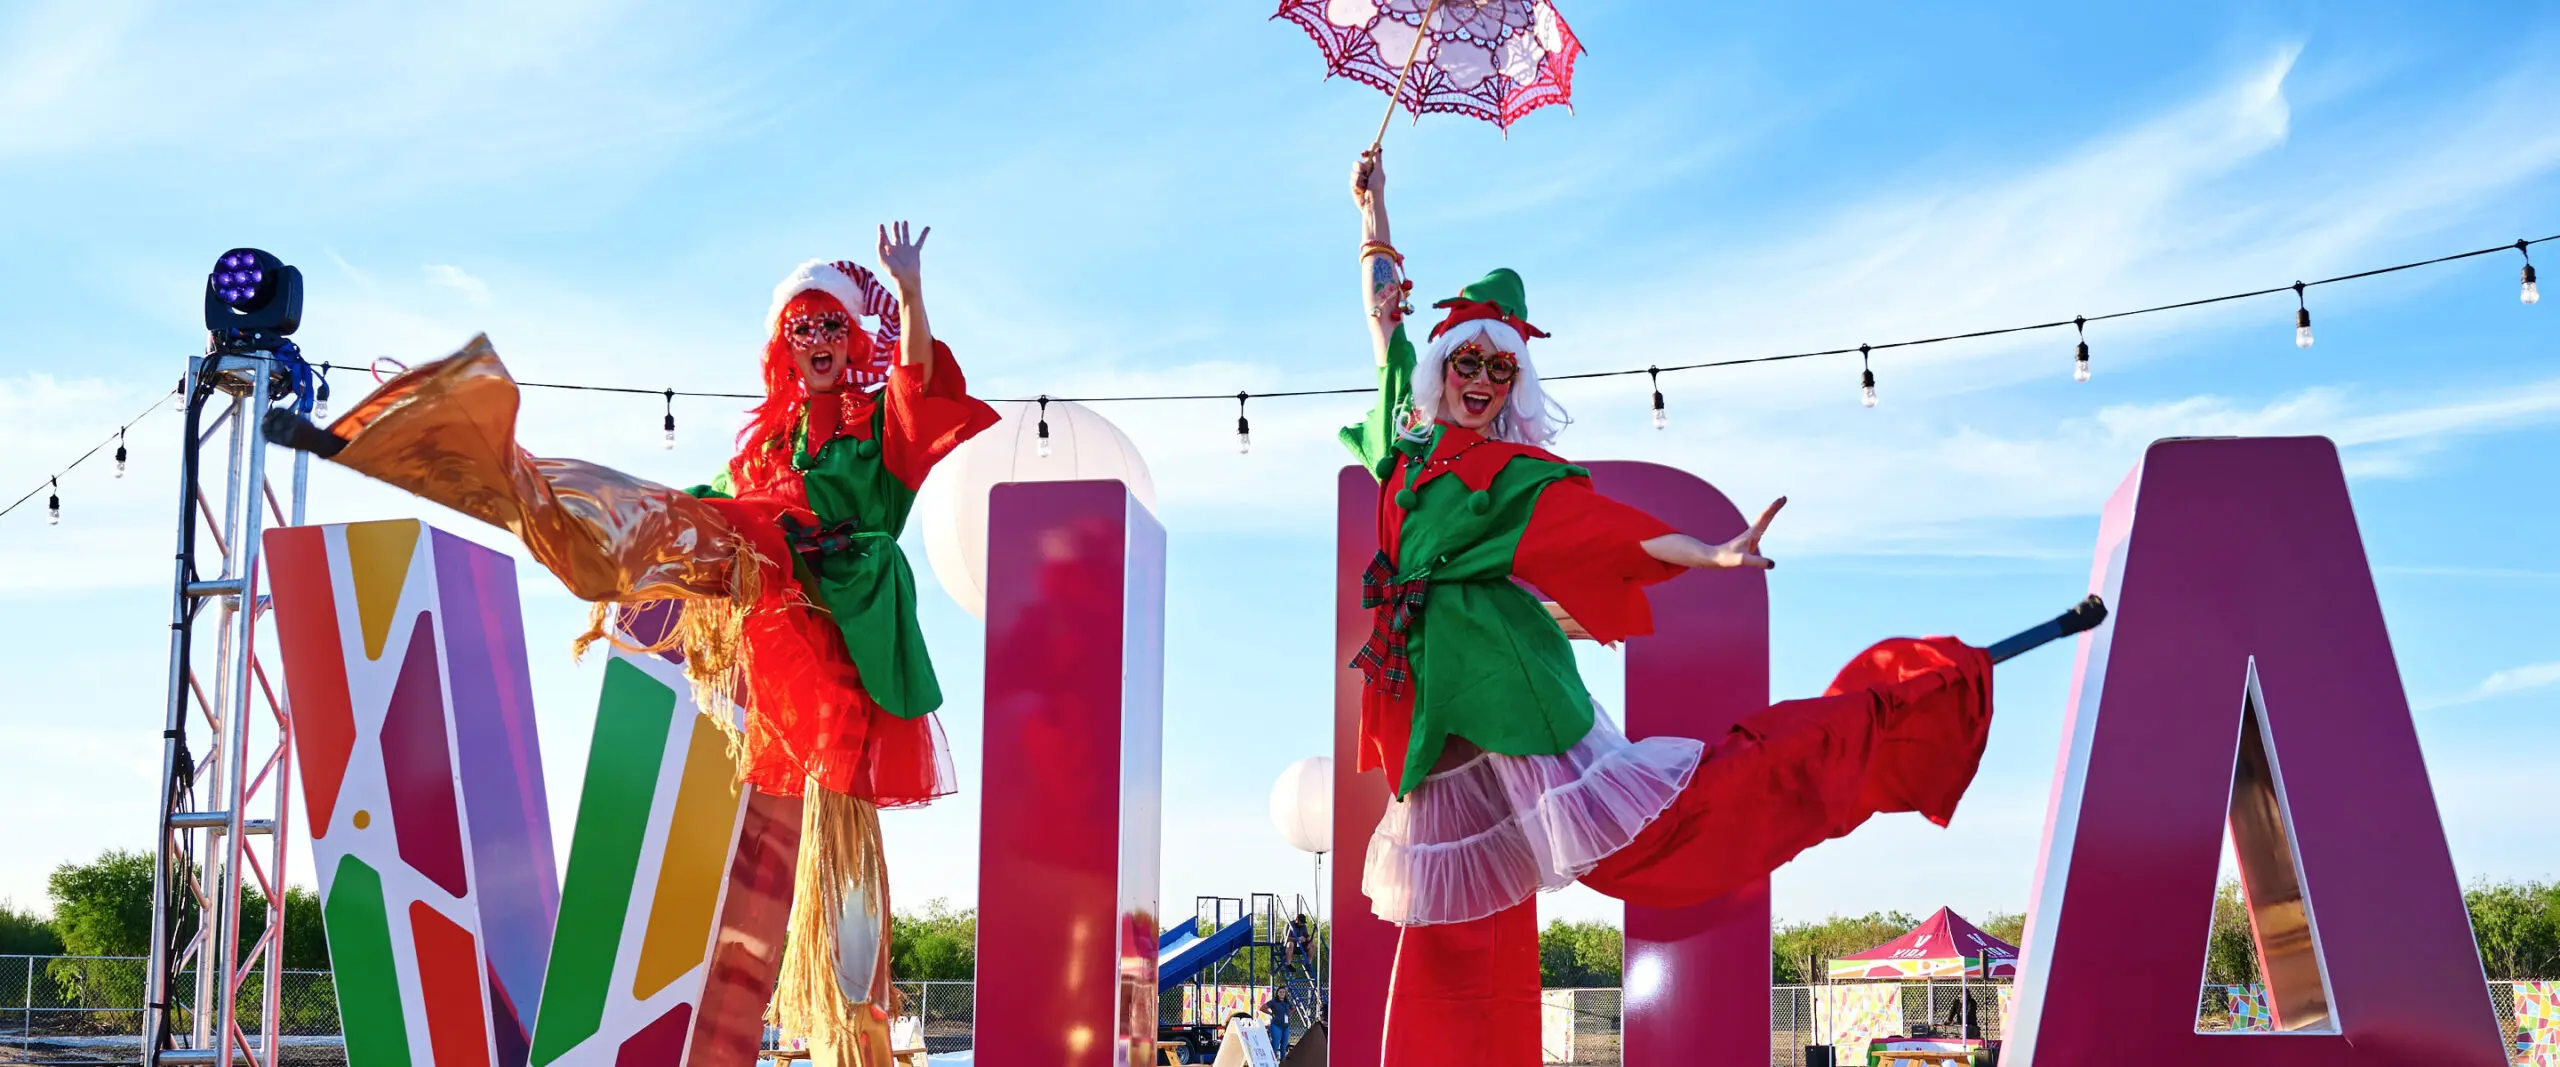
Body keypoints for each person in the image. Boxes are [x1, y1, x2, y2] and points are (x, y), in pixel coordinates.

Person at [266, 223, 997, 1067]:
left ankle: (858, 1042)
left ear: (852, 337)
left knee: (840, 860)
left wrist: (907, 291)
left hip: (843, 648)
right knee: (641, 518)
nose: (821, 342)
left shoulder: (876, 432)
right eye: (804, 328)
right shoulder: (764, 446)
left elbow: (921, 386)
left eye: (834, 326)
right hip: (764, 591)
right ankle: (441, 456)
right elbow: (708, 505)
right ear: (783, 346)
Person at [1343, 147, 2000, 1067]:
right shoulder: (1403, 445)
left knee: (1679, 833)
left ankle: (1878, 721)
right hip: (1437, 726)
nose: (1484, 378)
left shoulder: (1511, 474)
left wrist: (1713, 550)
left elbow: (1604, 532)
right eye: (1471, 360)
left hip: (1514, 701)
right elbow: (1383, 323)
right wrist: (1372, 212)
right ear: (1447, 364)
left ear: (1513, 384)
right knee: (1446, 938)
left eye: (1502, 367)